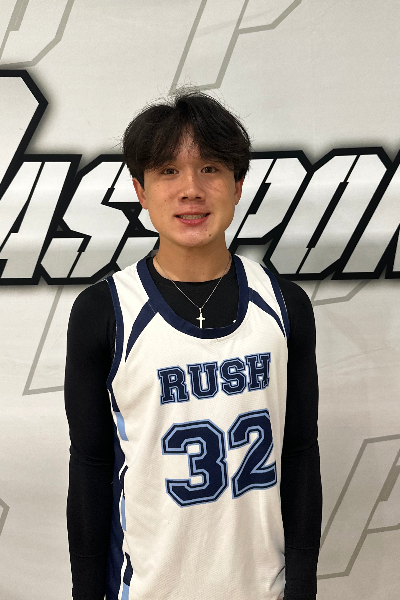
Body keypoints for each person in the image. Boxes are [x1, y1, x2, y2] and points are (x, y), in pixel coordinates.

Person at [65, 91, 322, 600]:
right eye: (168, 171)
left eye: (210, 169)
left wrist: (303, 587)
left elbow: (299, 454)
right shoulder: (105, 311)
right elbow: (91, 468)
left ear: (238, 185)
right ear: (140, 190)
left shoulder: (284, 304)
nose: (191, 190)